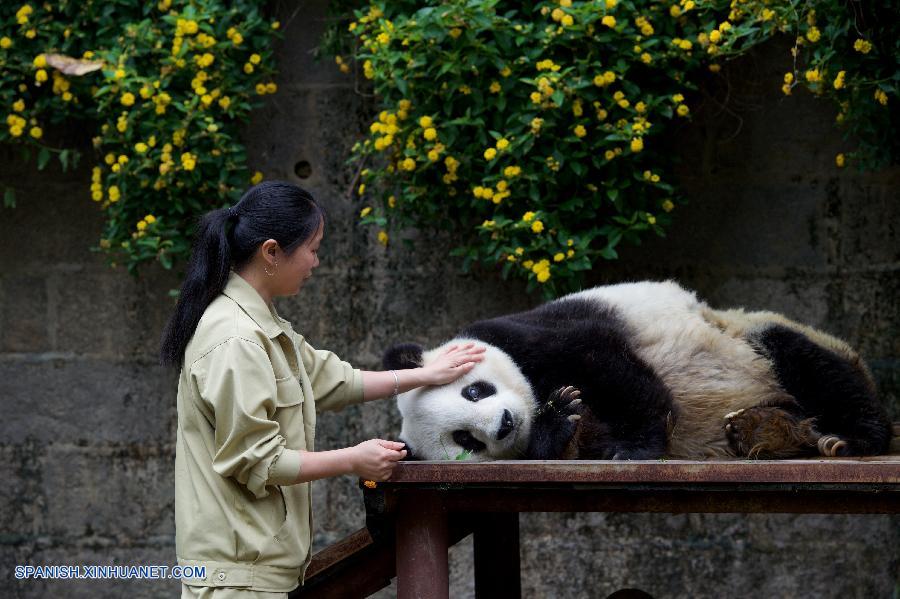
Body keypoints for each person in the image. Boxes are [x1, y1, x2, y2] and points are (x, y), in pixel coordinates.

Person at [159, 181, 485, 598]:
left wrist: (426, 375)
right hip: (240, 584)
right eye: (312, 248)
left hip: (260, 577)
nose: (316, 261)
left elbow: (335, 380)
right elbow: (258, 461)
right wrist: (355, 459)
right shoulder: (236, 338)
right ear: (272, 252)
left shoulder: (261, 324)